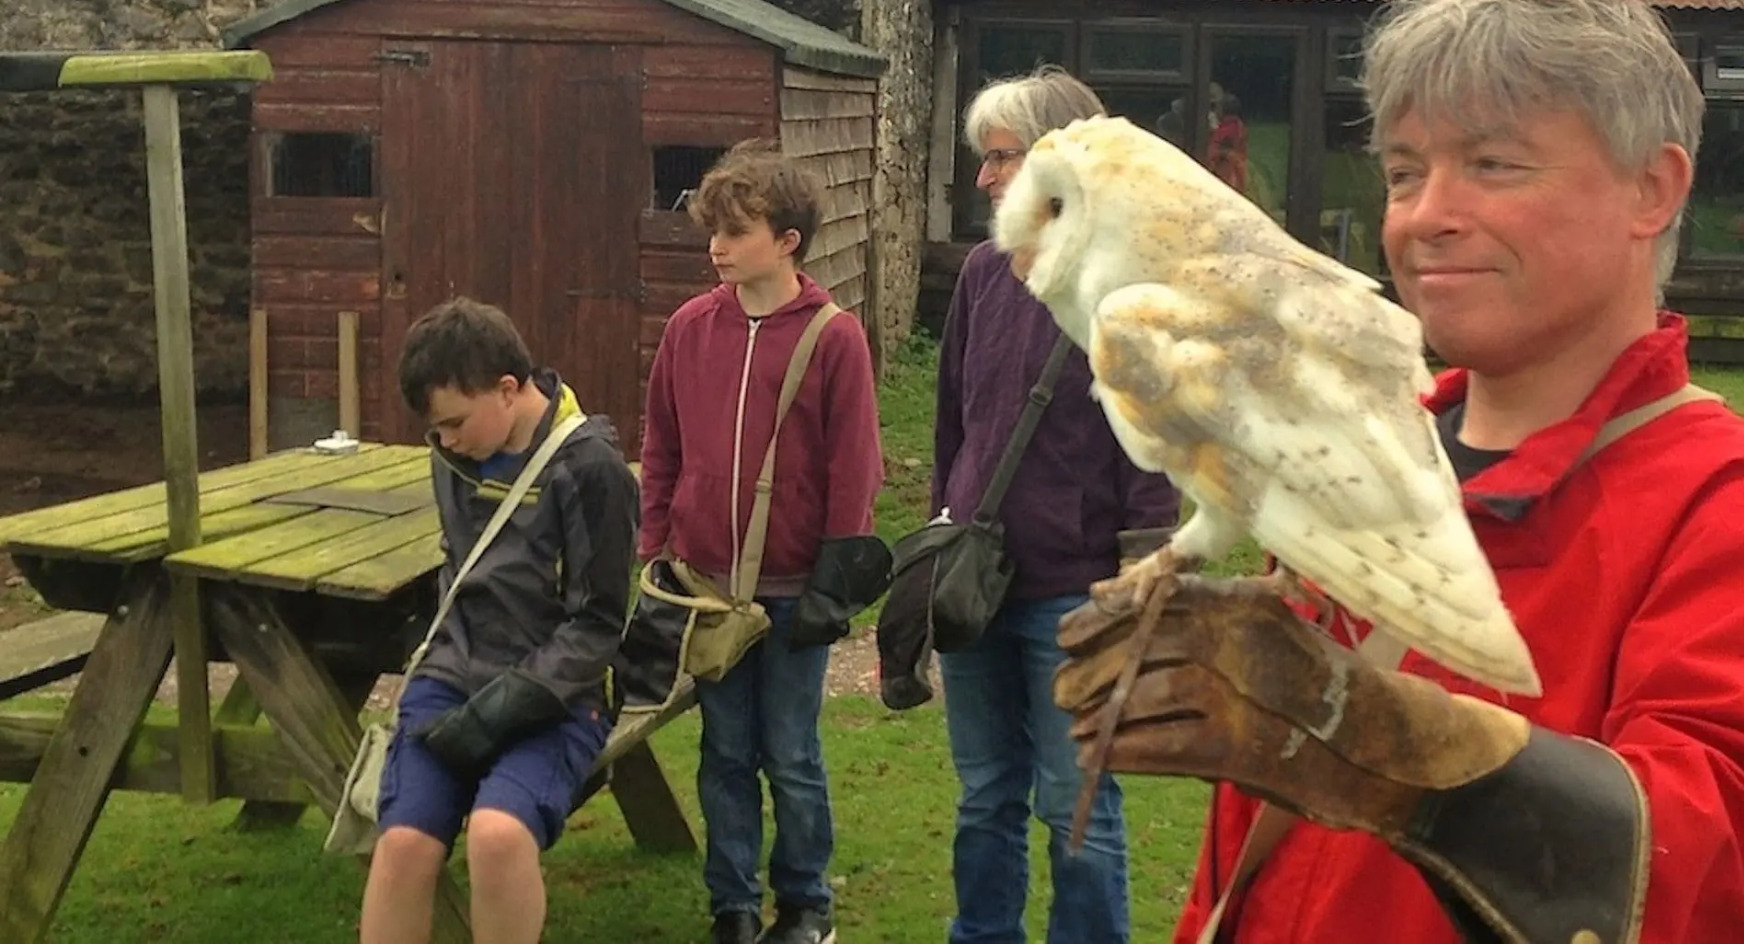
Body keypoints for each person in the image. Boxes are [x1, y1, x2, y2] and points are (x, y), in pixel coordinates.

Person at [1052, 0, 1744, 943]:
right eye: (1402, 170)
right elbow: (1258, 858)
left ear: (1653, 190)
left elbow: (1723, 875)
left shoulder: (1742, 511)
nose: (1427, 215)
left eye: (1493, 165)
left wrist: (1395, 754)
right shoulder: (1367, 453)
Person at [936, 65, 1183, 944]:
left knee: (1074, 803)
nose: (984, 178)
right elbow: (954, 423)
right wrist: (942, 532)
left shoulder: (1124, 278)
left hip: (1072, 592)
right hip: (975, 584)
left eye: (998, 157)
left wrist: (1139, 571)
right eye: (983, 159)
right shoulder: (980, 274)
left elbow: (1154, 438)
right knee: (984, 796)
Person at [638, 140, 884, 944]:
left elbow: (856, 468)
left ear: (787, 240)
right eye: (713, 229)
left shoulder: (834, 337)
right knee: (724, 753)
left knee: (793, 754)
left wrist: (834, 581)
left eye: (737, 230)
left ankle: (806, 903)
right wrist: (654, 552)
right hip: (706, 586)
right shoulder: (688, 329)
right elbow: (661, 447)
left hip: (792, 590)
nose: (717, 245)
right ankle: (733, 906)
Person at [360, 297, 639, 944]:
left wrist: (503, 710)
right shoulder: (449, 455)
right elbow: (460, 575)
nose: (445, 441)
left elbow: (599, 625)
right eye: (434, 431)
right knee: (402, 844)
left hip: (558, 698)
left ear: (507, 390)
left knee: (496, 835)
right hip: (453, 675)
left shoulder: (592, 469)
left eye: (454, 423)